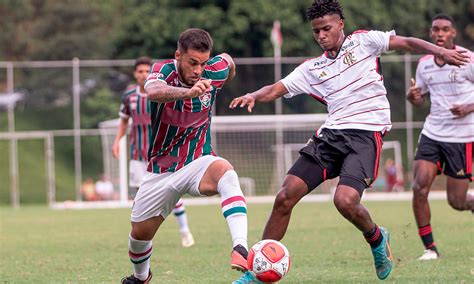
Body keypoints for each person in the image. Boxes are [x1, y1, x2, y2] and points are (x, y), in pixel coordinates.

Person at [230, 1, 468, 282]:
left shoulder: (364, 42)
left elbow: (406, 42)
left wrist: (440, 50)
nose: (321, 35)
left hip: (365, 135)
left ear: (341, 24)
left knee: (344, 201)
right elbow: (276, 88)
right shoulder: (312, 68)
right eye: (316, 31)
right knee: (285, 196)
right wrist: (254, 96)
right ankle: (255, 272)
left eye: (326, 29)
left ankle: (377, 238)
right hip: (331, 135)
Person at [121, 28, 249, 284]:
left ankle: (241, 247)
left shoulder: (214, 69)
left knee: (226, 171)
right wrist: (188, 93)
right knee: (139, 235)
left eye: (203, 63)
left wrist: (226, 77)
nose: (198, 70)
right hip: (161, 170)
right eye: (192, 63)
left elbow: (229, 63)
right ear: (178, 55)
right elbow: (154, 92)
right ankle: (141, 278)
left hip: (197, 161)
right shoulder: (164, 70)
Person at [406, 13, 473, 261]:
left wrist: (468, 107)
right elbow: (419, 98)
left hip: (461, 137)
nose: (440, 34)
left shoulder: (468, 59)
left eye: (445, 29)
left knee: (456, 201)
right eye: (436, 30)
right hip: (432, 133)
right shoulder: (424, 63)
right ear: (431, 34)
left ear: (453, 33)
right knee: (419, 187)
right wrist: (413, 97)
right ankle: (430, 248)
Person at [113, 57, 195, 249]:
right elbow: (124, 120)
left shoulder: (160, 93)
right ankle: (141, 238)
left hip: (161, 155)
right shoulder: (129, 97)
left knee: (172, 194)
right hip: (138, 156)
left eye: (146, 71)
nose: (143, 75)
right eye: (139, 71)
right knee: (140, 198)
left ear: (151, 73)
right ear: (135, 74)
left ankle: (185, 231)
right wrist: (117, 140)